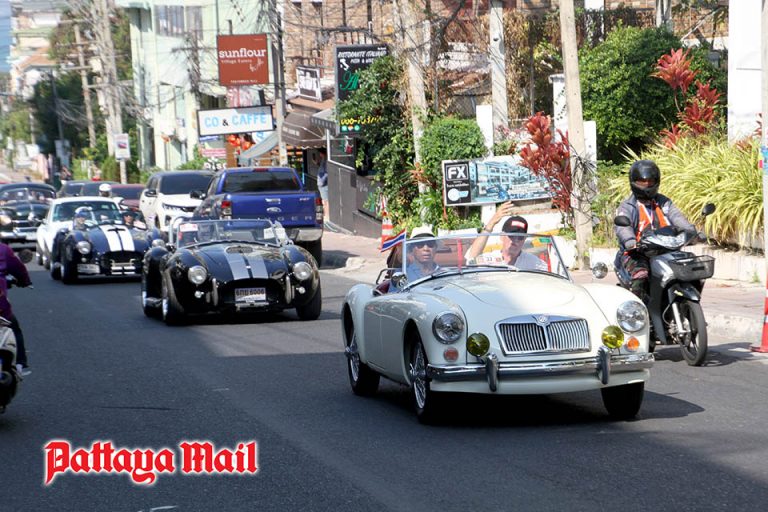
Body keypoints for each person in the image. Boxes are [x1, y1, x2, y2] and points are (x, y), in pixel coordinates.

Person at [615, 160, 696, 302]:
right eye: (642, 181)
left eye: (650, 181)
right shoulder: (628, 206)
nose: (647, 185)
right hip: (637, 252)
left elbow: (676, 216)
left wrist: (691, 231)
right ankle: (638, 310)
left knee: (690, 268)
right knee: (641, 274)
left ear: (657, 181)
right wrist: (630, 240)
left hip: (664, 250)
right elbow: (623, 226)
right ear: (633, 182)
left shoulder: (663, 202)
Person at [465, 202, 547, 271]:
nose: (515, 240)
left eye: (520, 237)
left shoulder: (533, 263)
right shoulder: (491, 260)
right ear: (502, 236)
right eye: (512, 235)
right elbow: (471, 259)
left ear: (524, 239)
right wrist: (491, 224)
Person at [0, 242, 32, 376]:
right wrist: (25, 281)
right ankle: (19, 364)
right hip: (1, 308)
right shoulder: (3, 249)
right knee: (14, 328)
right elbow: (19, 269)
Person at [316, 148, 329, 220]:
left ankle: (326, 216)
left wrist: (321, 181)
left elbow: (326, 172)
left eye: (320, 153)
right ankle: (326, 215)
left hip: (323, 185)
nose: (319, 155)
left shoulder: (326, 160)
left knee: (325, 201)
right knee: (324, 201)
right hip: (322, 184)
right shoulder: (323, 160)